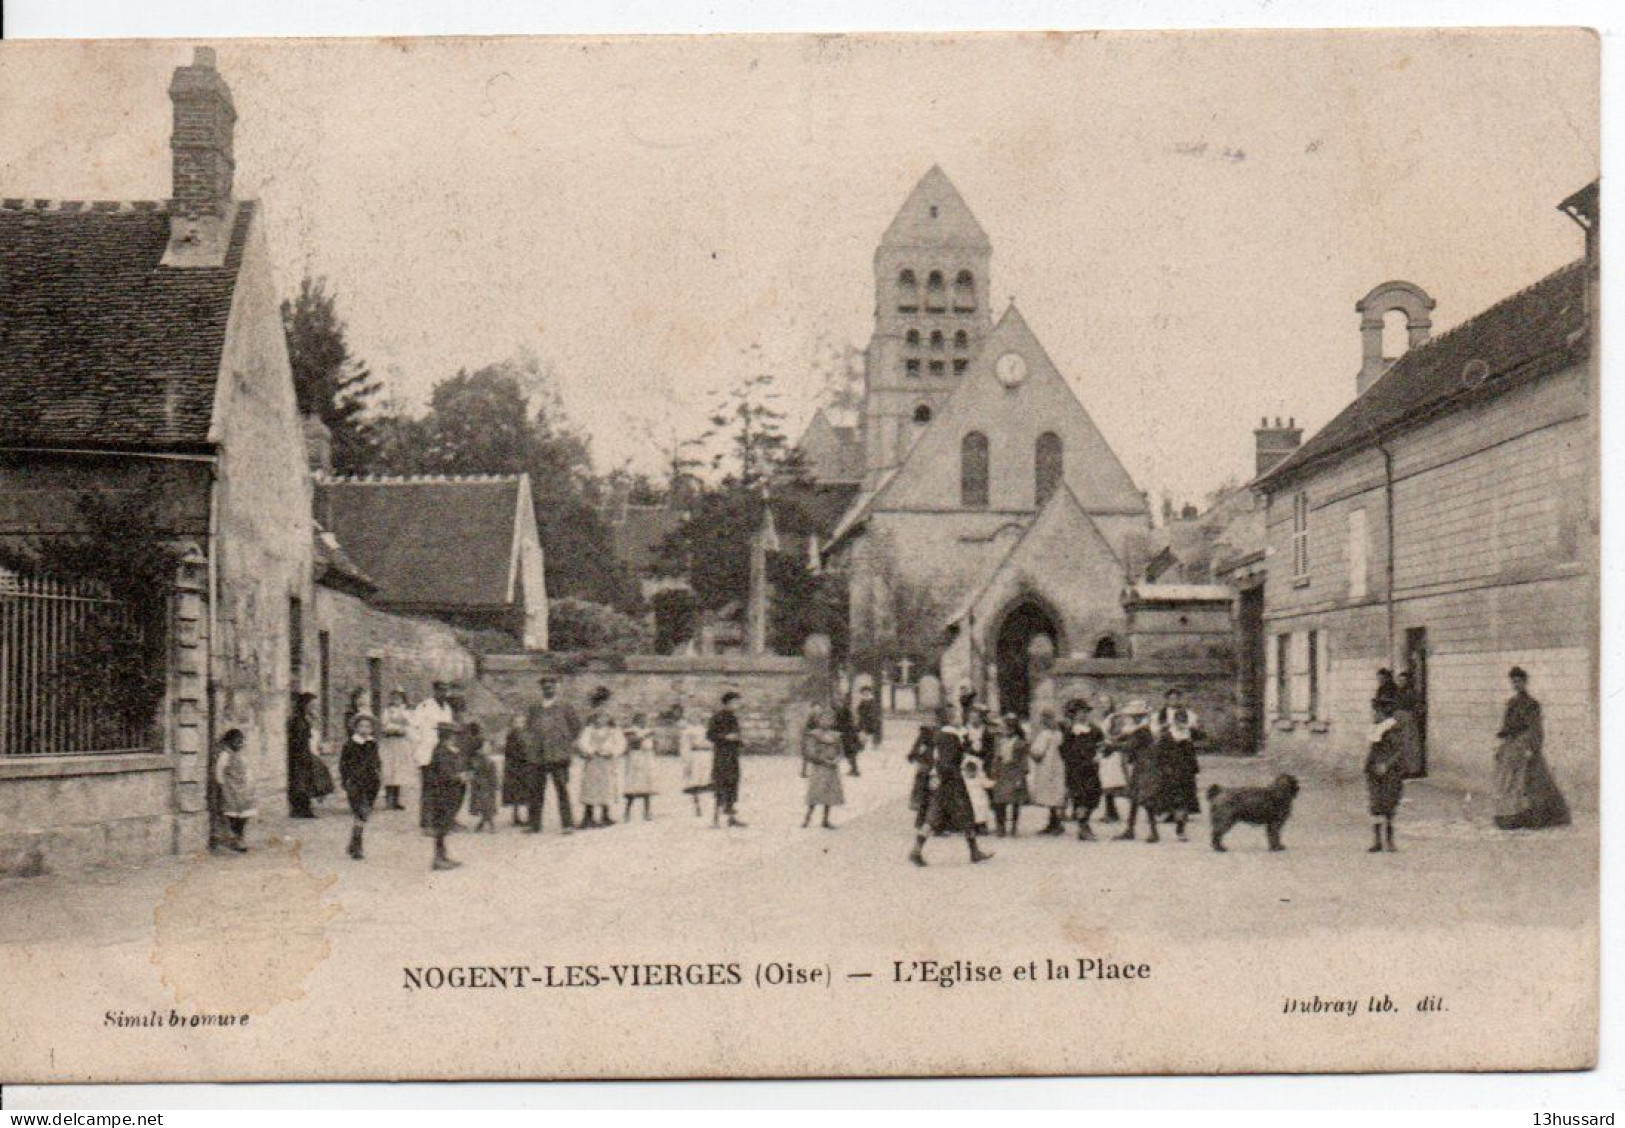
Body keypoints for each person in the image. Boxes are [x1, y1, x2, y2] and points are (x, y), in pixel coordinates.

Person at [909, 705, 994, 867]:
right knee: (966, 813)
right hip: (952, 781)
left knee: (932, 816)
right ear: (951, 719)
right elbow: (949, 761)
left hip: (941, 781)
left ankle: (916, 849)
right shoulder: (951, 736)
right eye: (957, 716)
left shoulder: (941, 734)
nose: (960, 718)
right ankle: (974, 852)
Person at [1493, 667, 1571, 830]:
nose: (1516, 684)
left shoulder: (1532, 704)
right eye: (1513, 682)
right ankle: (1509, 816)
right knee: (1509, 782)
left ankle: (1532, 816)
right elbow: (1506, 726)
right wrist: (1502, 743)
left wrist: (1532, 748)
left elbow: (1535, 728)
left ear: (1525, 682)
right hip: (1511, 747)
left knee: (1531, 782)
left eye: (1519, 681)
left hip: (1525, 746)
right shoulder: (1511, 703)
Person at [517, 676, 581, 834]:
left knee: (562, 789)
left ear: (556, 688)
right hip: (538, 755)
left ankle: (567, 824)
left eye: (551, 687)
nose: (548, 689)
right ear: (541, 689)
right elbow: (527, 728)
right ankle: (534, 824)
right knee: (536, 790)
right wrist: (531, 744)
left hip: (558, 755)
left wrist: (564, 742)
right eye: (545, 687)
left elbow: (576, 727)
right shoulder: (534, 708)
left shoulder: (565, 707)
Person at [1112, 701, 1171, 843]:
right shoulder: (1142, 728)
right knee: (1134, 798)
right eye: (1134, 715)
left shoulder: (1142, 730)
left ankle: (1153, 832)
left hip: (1147, 767)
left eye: (1136, 715)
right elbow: (1127, 740)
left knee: (1146, 799)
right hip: (1143, 766)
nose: (1134, 717)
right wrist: (1114, 741)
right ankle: (1131, 829)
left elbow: (1130, 746)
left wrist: (1112, 745)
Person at [576, 688, 625, 828]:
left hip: (607, 763)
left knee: (606, 787)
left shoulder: (613, 731)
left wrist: (612, 752)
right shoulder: (589, 730)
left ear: (608, 719)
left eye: (604, 717)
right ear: (593, 719)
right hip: (593, 762)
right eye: (598, 718)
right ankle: (588, 816)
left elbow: (621, 743)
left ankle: (605, 815)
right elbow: (582, 742)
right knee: (590, 787)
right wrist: (590, 750)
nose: (601, 720)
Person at [423, 720, 468, 871]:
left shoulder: (450, 749)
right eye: (453, 734)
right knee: (441, 825)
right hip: (442, 793)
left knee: (445, 824)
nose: (455, 737)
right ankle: (438, 858)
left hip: (452, 791)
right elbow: (444, 774)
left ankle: (442, 856)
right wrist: (459, 776)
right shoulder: (441, 751)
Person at [1059, 699, 1105, 840]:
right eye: (1080, 713)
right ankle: (1083, 827)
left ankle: (1085, 823)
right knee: (1080, 797)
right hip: (1075, 770)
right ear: (1073, 715)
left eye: (1085, 712)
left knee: (1094, 796)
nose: (1083, 715)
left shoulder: (1095, 729)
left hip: (1091, 768)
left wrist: (1099, 754)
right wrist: (1072, 761)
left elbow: (1101, 745)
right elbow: (1063, 750)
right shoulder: (1069, 731)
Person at [1155, 688, 1201, 826]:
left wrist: (1187, 727)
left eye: (1176, 698)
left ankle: (1184, 810)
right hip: (1167, 749)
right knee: (1167, 779)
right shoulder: (1160, 714)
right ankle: (1168, 810)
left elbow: (1196, 731)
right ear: (1167, 700)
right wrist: (1164, 727)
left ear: (1180, 699)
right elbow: (1155, 731)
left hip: (1184, 749)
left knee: (1185, 779)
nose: (1174, 701)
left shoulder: (1190, 714)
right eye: (1171, 698)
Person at [412, 682, 455, 831]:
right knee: (429, 787)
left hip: (442, 753)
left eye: (446, 691)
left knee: (443, 787)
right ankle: (427, 823)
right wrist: (420, 744)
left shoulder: (447, 708)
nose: (443, 693)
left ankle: (443, 820)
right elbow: (413, 728)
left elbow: (448, 731)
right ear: (435, 691)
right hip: (427, 752)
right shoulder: (424, 706)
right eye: (440, 690)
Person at [1364, 698, 1405, 853]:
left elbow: (1399, 751)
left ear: (1383, 713)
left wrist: (1386, 765)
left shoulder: (1393, 729)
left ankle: (1389, 841)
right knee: (1375, 805)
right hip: (1374, 770)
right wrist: (1370, 765)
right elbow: (1373, 750)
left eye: (1376, 712)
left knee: (1388, 805)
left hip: (1390, 772)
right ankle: (1377, 841)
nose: (1374, 715)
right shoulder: (1376, 728)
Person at [340, 711, 381, 860]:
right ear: (355, 728)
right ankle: (357, 845)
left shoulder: (372, 744)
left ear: (371, 729)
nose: (364, 729)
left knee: (364, 813)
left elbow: (377, 762)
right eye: (361, 726)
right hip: (356, 783)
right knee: (360, 812)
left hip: (371, 783)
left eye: (368, 726)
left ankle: (353, 843)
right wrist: (346, 780)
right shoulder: (350, 745)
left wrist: (378, 775)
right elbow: (343, 764)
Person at [707, 691, 747, 828]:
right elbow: (710, 735)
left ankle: (731, 818)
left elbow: (736, 734)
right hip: (722, 756)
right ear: (728, 703)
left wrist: (740, 741)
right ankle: (715, 819)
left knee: (733, 784)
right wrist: (725, 737)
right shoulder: (717, 717)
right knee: (720, 784)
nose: (738, 705)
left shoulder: (733, 717)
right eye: (736, 702)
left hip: (733, 756)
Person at [800, 707, 845, 829]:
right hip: (819, 768)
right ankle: (807, 819)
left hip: (831, 768)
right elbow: (810, 752)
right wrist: (823, 760)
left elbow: (840, 751)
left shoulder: (836, 735)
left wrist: (836, 760)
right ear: (818, 720)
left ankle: (825, 819)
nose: (827, 722)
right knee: (816, 793)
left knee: (829, 794)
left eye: (830, 720)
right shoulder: (814, 735)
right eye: (823, 719)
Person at [988, 714, 1030, 837]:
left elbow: (1023, 760)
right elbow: (996, 757)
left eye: (1007, 728)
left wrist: (1021, 774)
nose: (1005, 731)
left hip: (1014, 772)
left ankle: (1014, 826)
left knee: (1015, 800)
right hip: (1002, 771)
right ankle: (1001, 826)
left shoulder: (1021, 742)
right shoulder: (999, 741)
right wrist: (994, 771)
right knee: (1000, 801)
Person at [214, 728, 255, 853]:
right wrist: (222, 786)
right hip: (230, 789)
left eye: (241, 741)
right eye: (237, 741)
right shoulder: (225, 756)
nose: (240, 744)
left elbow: (248, 770)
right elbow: (219, 773)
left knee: (245, 813)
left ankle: (240, 836)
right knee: (233, 814)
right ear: (229, 742)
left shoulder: (242, 756)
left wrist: (249, 783)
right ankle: (236, 838)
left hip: (242, 789)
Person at [1026, 709, 1067, 834]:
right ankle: (1054, 821)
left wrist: (1028, 748)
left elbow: (1038, 754)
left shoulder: (1045, 735)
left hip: (1048, 767)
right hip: (1058, 767)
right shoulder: (1060, 734)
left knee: (1050, 794)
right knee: (1055, 794)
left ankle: (1056, 823)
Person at [286, 691, 323, 819]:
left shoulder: (305, 718)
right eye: (311, 705)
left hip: (305, 752)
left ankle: (305, 808)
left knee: (306, 781)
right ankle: (299, 809)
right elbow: (295, 739)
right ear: (304, 705)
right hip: (298, 755)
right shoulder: (297, 719)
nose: (314, 708)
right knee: (299, 782)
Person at [674, 703, 713, 816]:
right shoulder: (687, 731)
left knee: (706, 780)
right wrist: (687, 760)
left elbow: (710, 742)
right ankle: (697, 806)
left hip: (705, 756)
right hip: (695, 757)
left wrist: (709, 747)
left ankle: (707, 806)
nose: (696, 718)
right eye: (693, 716)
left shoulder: (704, 729)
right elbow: (684, 746)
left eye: (698, 716)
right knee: (695, 781)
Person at [1096, 694, 1128, 823]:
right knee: (1105, 781)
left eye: (1106, 703)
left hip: (1112, 752)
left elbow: (1119, 734)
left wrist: (1109, 739)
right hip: (1104, 750)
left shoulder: (1115, 718)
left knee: (1111, 781)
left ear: (1111, 704)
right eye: (1101, 703)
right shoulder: (1104, 718)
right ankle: (1110, 811)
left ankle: (1112, 812)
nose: (1103, 706)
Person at [379, 688, 413, 811]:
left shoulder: (406, 711)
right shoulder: (388, 711)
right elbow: (385, 726)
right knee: (389, 770)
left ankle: (396, 800)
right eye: (394, 698)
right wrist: (395, 727)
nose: (396, 700)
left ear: (403, 699)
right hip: (390, 743)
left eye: (398, 698)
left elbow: (410, 725)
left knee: (399, 772)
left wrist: (402, 727)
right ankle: (389, 799)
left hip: (401, 743)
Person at [622, 712, 658, 823]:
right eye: (642, 720)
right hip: (636, 757)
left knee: (647, 785)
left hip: (647, 757)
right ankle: (627, 812)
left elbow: (654, 745)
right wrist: (644, 736)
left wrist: (654, 742)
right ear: (636, 721)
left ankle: (647, 812)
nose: (644, 722)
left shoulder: (648, 731)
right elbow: (633, 743)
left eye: (645, 720)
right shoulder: (631, 731)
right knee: (633, 785)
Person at [466, 722, 500, 833]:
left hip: (486, 787)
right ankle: (485, 823)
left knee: (486, 805)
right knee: (484, 805)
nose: (488, 749)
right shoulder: (479, 760)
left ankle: (487, 823)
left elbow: (493, 774)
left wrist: (495, 784)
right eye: (486, 747)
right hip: (480, 785)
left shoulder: (489, 761)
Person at [907, 720, 938, 830]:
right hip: (925, 771)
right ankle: (923, 822)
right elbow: (913, 754)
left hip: (927, 770)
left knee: (927, 797)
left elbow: (912, 754)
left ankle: (922, 822)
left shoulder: (927, 738)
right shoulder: (924, 739)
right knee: (927, 797)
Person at [833, 693, 863, 777]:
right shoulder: (843, 709)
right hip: (849, 733)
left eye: (839, 701)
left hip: (848, 734)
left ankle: (854, 769)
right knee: (849, 753)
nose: (838, 703)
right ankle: (854, 769)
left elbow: (842, 723)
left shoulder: (843, 710)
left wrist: (834, 727)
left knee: (849, 752)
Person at [856, 684, 884, 753]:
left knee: (871, 731)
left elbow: (874, 710)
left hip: (871, 719)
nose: (865, 694)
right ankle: (862, 745)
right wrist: (860, 714)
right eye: (864, 693)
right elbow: (859, 709)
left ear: (869, 692)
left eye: (867, 692)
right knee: (862, 732)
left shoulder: (872, 701)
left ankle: (874, 744)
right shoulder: (862, 701)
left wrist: (871, 716)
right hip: (863, 719)